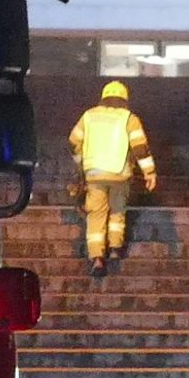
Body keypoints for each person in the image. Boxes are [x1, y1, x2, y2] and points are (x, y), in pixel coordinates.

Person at [68, 80, 157, 278]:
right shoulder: (129, 118)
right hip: (120, 173)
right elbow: (140, 148)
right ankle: (116, 248)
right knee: (117, 211)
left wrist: (80, 161)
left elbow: (74, 141)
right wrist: (149, 173)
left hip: (94, 174)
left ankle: (97, 257)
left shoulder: (89, 116)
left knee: (96, 214)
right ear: (125, 99)